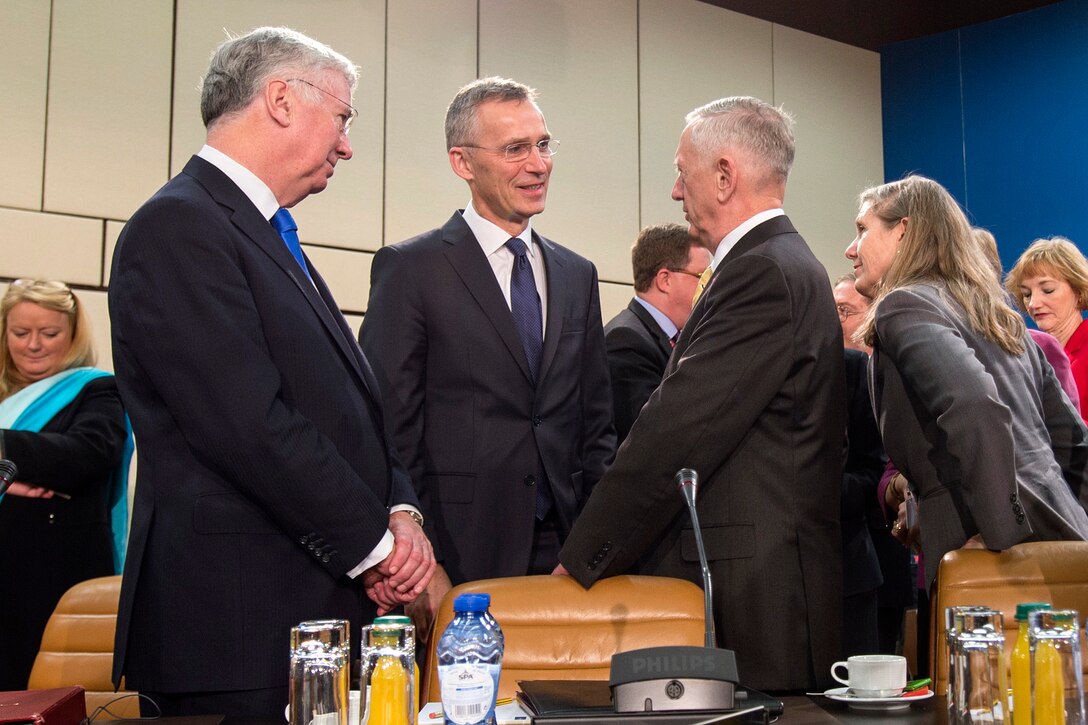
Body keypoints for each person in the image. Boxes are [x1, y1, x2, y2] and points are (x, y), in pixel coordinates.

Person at [109, 27, 434, 718]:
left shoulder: (268, 236)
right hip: (234, 633)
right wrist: (376, 547)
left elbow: (349, 411)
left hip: (301, 619)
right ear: (282, 99)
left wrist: (400, 510)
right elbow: (247, 424)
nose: (347, 144)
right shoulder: (180, 226)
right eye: (343, 117)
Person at [556, 96, 846, 693]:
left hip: (756, 598)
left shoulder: (762, 271)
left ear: (723, 175)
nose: (673, 191)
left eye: (681, 172)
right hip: (767, 585)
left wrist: (581, 561)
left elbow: (677, 429)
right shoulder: (779, 263)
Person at [358, 77, 614, 637]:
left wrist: (595, 547)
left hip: (566, 556)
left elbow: (595, 426)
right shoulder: (411, 269)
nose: (538, 164)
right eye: (515, 149)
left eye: (543, 144)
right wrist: (421, 559)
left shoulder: (577, 275)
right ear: (462, 162)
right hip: (457, 553)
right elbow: (386, 427)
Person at [846, 175, 1088, 592]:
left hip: (992, 554)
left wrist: (1003, 538)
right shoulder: (995, 315)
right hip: (1065, 534)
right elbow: (1073, 442)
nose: (852, 249)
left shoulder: (903, 304)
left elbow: (976, 407)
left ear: (903, 230)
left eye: (863, 230)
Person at [0, 279, 132, 690]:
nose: (34, 344)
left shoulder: (96, 390)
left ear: (73, 335)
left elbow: (83, 456)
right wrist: (15, 474)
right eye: (21, 333)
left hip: (51, 581)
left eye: (50, 333)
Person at [833, 273, 913, 657]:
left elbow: (880, 470)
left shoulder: (875, 374)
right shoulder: (831, 371)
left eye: (845, 311)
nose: (836, 322)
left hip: (874, 559)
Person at [605, 223, 711, 443]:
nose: (709, 288)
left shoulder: (672, 337)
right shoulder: (626, 341)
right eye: (702, 277)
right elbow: (651, 435)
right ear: (665, 280)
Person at [1006, 237, 1088, 422]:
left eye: (1048, 290)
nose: (1033, 303)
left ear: (1079, 292)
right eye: (1026, 294)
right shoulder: (1030, 354)